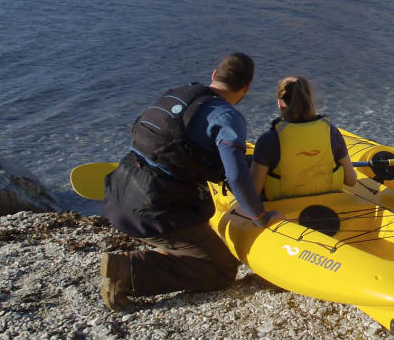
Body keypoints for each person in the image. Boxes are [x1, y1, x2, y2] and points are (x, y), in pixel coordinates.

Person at [99, 52, 283, 311]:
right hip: (156, 211)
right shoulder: (228, 118)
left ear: (213, 76)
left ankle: (167, 250)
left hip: (118, 194)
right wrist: (260, 216)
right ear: (246, 89)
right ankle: (128, 271)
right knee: (222, 269)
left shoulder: (177, 94)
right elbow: (236, 176)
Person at [250, 76, 358, 200]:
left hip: (284, 211)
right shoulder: (331, 132)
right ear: (309, 100)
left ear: (279, 103)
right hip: (328, 205)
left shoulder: (267, 141)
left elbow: (253, 194)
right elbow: (351, 181)